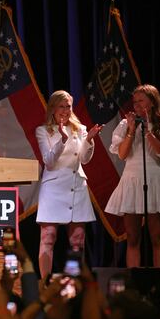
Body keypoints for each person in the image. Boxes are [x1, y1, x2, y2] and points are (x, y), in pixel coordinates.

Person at [105, 84, 160, 268]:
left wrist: (147, 129)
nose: (136, 105)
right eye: (134, 102)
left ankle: (158, 282)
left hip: (154, 179)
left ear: (152, 102)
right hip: (131, 179)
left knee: (157, 237)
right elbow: (122, 154)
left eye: (141, 101)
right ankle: (134, 283)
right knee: (132, 238)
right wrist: (131, 129)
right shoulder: (125, 125)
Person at [35, 90, 102, 277]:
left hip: (76, 186)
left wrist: (89, 139)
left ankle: (75, 282)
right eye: (61, 106)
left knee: (78, 240)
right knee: (48, 237)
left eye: (68, 106)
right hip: (53, 189)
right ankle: (45, 282)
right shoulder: (43, 131)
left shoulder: (79, 129)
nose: (65, 110)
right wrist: (62, 140)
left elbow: (85, 159)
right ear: (53, 109)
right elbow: (48, 161)